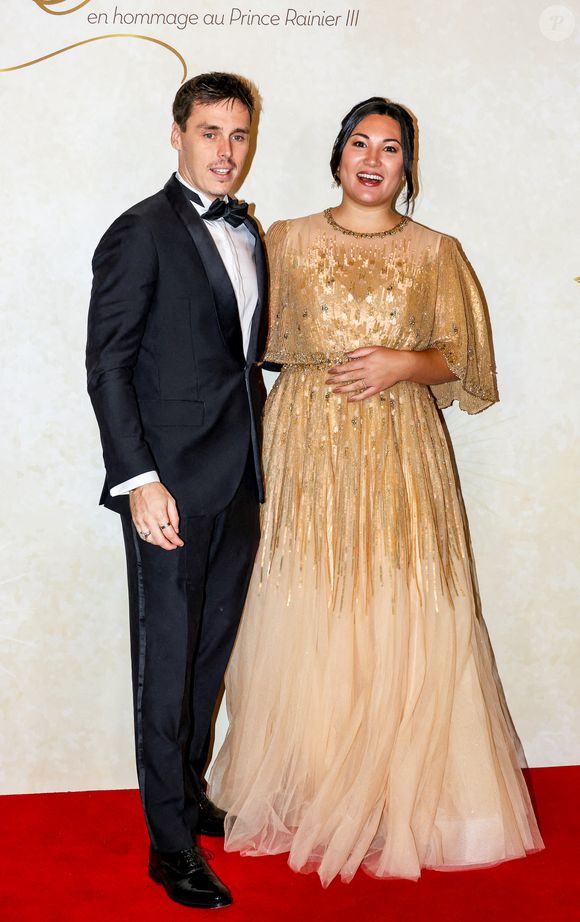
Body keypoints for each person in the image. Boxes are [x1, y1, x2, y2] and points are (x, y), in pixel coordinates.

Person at [208, 96, 544, 886]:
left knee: (404, 605)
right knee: (309, 611)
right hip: (304, 447)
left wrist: (403, 362)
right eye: (359, 142)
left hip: (400, 449)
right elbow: (236, 342)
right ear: (337, 156)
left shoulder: (436, 251)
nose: (372, 158)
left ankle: (406, 797)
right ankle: (318, 787)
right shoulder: (282, 239)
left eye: (390, 148)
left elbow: (465, 362)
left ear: (407, 167)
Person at [86, 72, 268, 909]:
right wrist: (139, 482)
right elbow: (109, 366)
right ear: (177, 134)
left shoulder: (249, 232)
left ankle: (188, 798)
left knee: (206, 659)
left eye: (238, 134)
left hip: (237, 484)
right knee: (165, 671)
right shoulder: (140, 232)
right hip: (164, 491)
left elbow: (233, 360)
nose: (225, 151)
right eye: (209, 133)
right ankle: (168, 849)